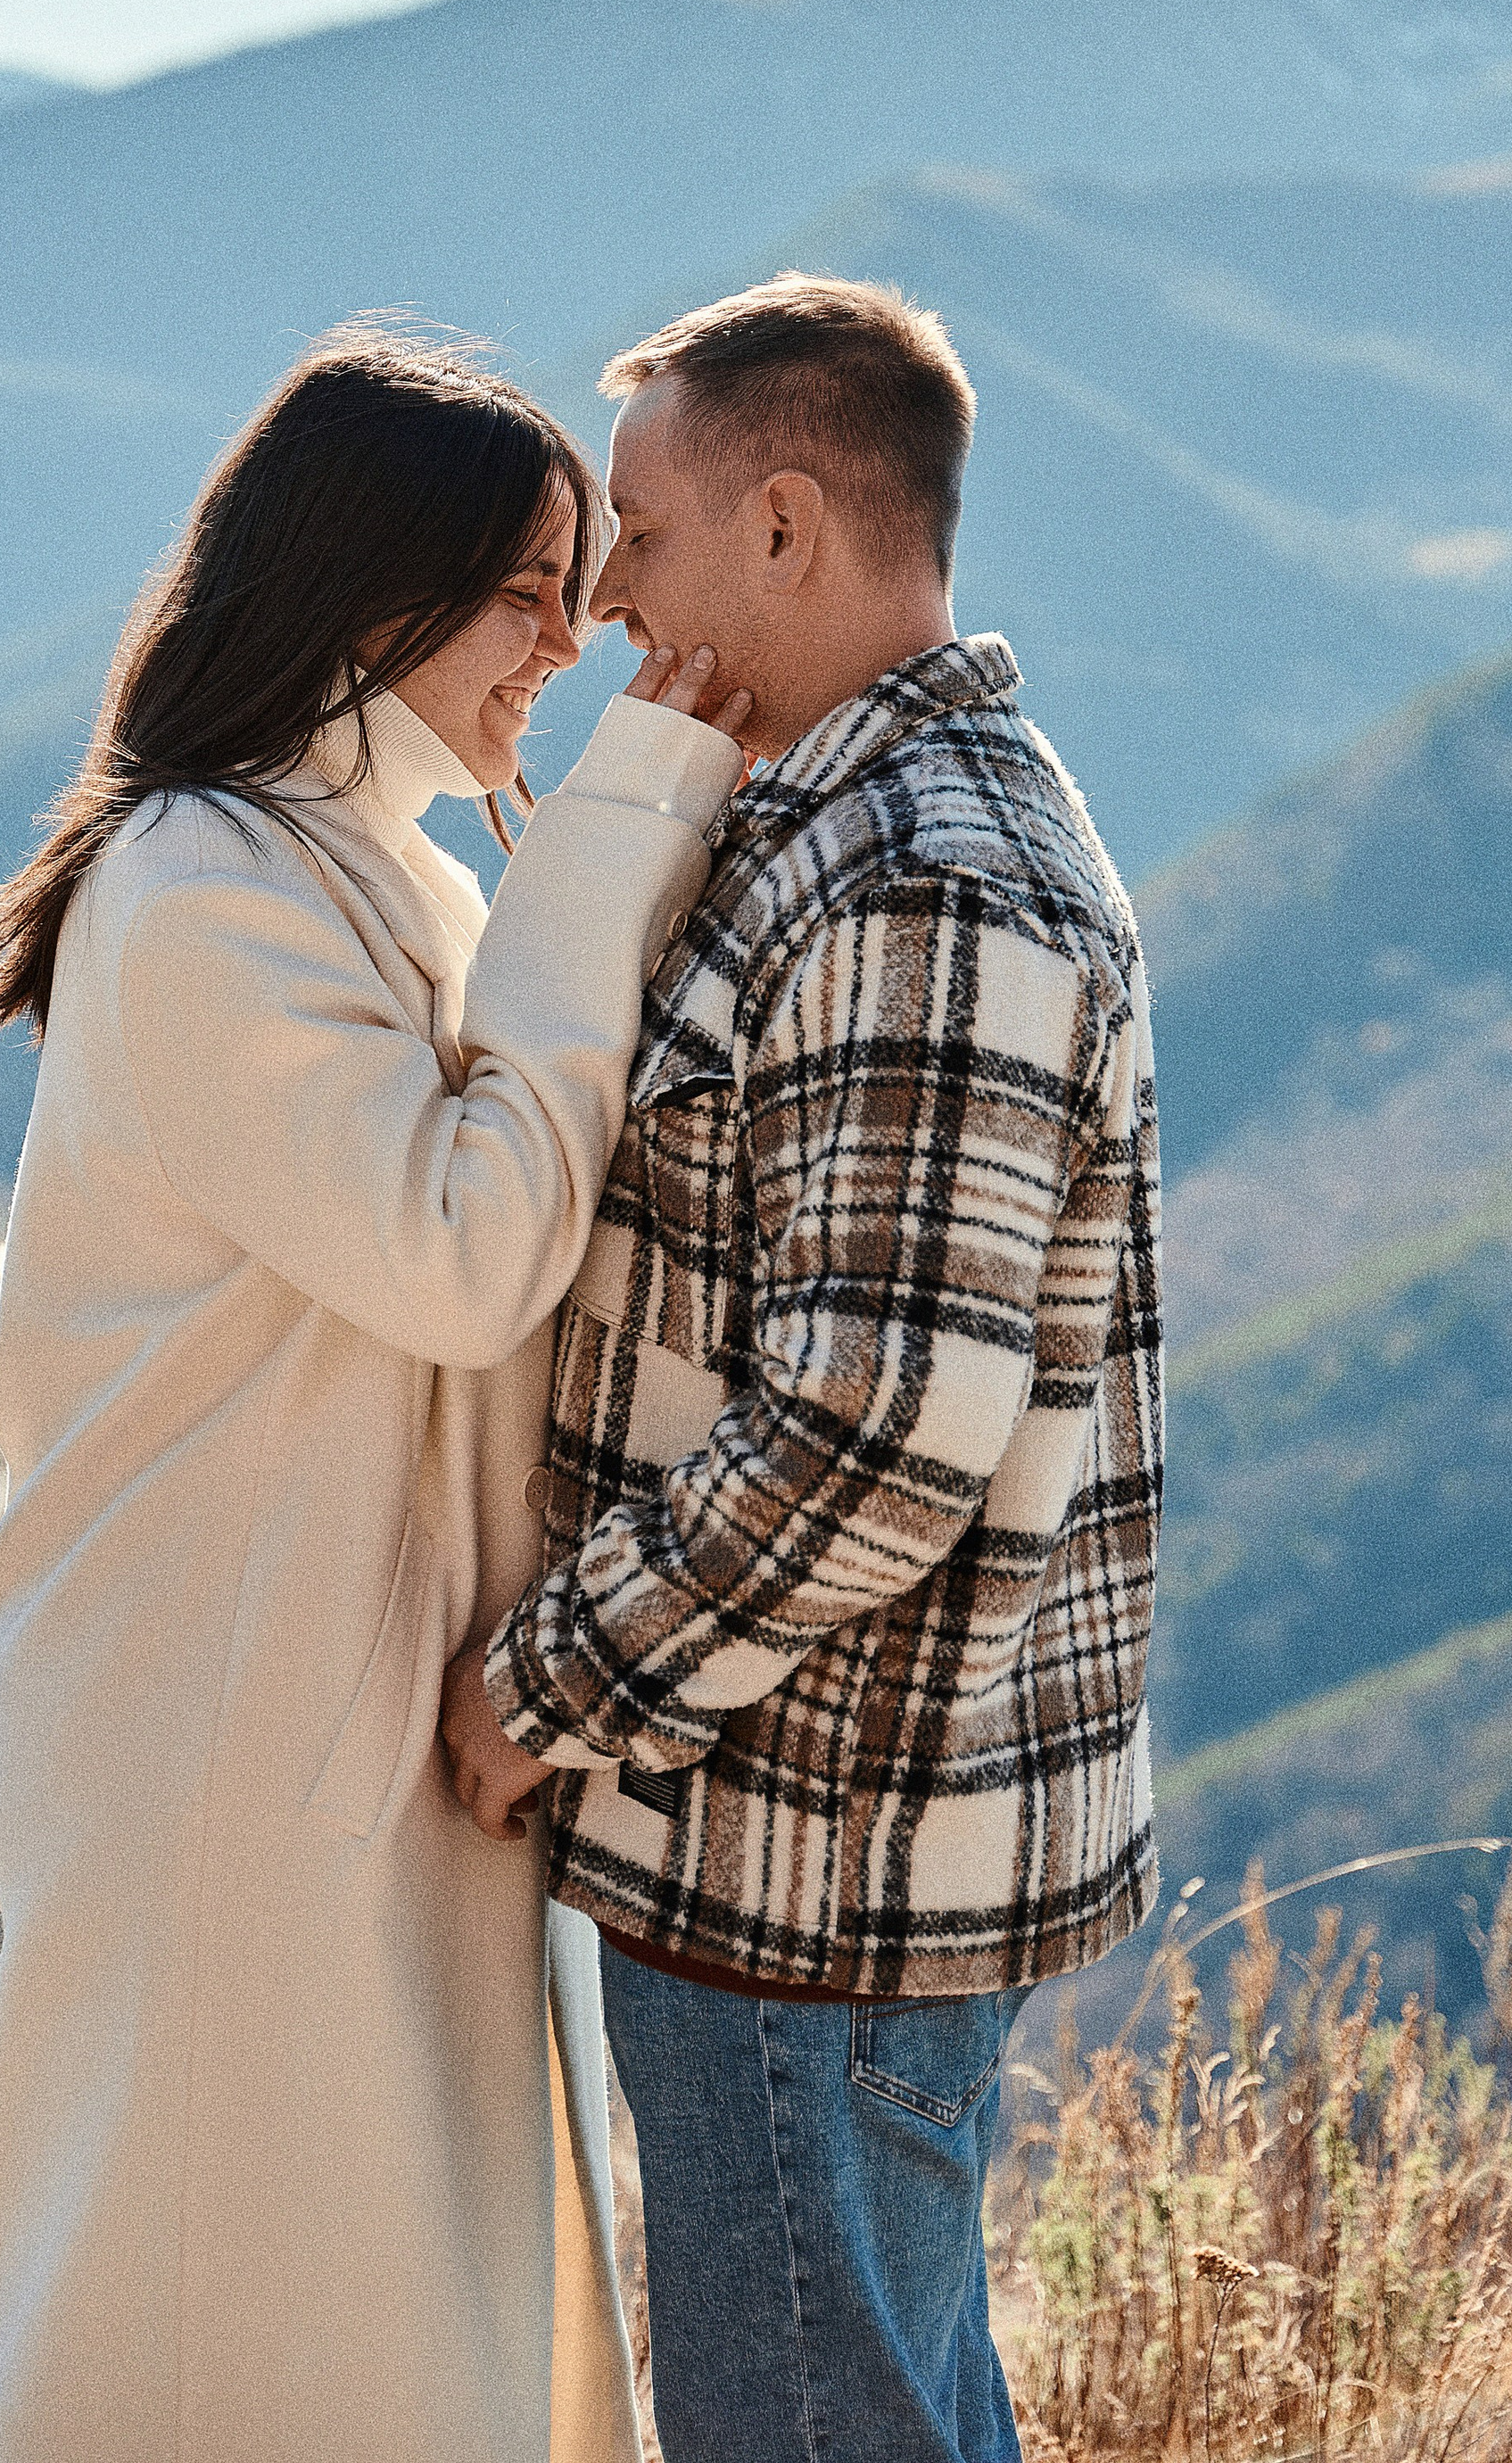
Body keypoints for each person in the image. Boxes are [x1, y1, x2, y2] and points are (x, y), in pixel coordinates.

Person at [0, 326, 752, 2463]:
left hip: (332, 1685)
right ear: (371, 597)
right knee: (236, 2285)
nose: (575, 642)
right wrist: (629, 823)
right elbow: (460, 1251)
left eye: (582, 582)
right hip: (226, 1699)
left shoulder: (374, 869)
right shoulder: (200, 886)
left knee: (346, 2273)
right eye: (524, 592)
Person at [442, 273, 1163, 2463]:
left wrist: (537, 1685)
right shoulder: (847, 827)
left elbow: (873, 1427)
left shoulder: (923, 879)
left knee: (808, 2425)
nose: (607, 603)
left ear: (780, 523)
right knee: (885, 2403)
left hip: (810, 1851)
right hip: (826, 1828)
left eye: (639, 538)